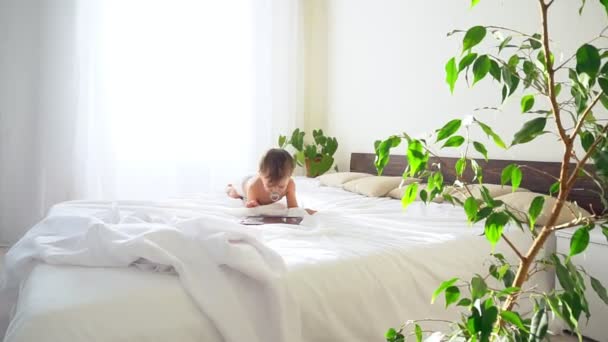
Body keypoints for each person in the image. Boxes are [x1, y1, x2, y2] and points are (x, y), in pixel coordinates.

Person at [226, 148, 316, 214]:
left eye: (281, 186)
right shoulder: (253, 187)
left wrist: (304, 212)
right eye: (270, 185)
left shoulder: (290, 185)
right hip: (244, 184)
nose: (275, 190)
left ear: (290, 177)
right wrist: (253, 204)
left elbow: (293, 208)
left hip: (260, 178)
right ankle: (230, 187)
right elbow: (253, 210)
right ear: (261, 175)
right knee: (235, 194)